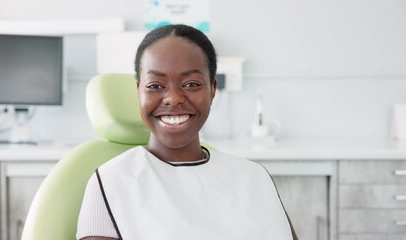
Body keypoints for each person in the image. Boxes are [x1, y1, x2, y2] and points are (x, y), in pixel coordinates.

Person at [76, 24, 298, 240]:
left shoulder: (254, 177)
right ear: (138, 91)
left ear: (212, 90)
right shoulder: (110, 181)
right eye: (155, 86)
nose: (173, 98)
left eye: (191, 84)